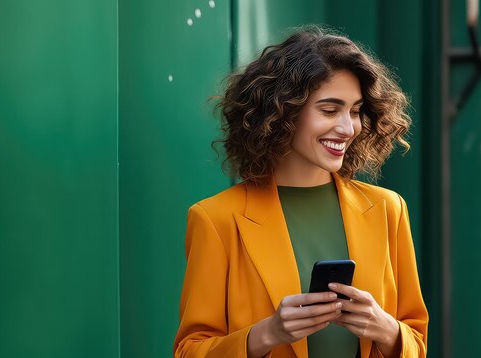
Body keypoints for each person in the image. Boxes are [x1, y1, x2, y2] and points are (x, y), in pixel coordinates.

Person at [173, 26, 428, 358]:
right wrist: (267, 333)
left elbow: (417, 343)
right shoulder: (216, 219)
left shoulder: (387, 208)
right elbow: (189, 351)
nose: (348, 127)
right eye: (329, 109)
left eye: (354, 110)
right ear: (282, 112)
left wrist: (385, 328)